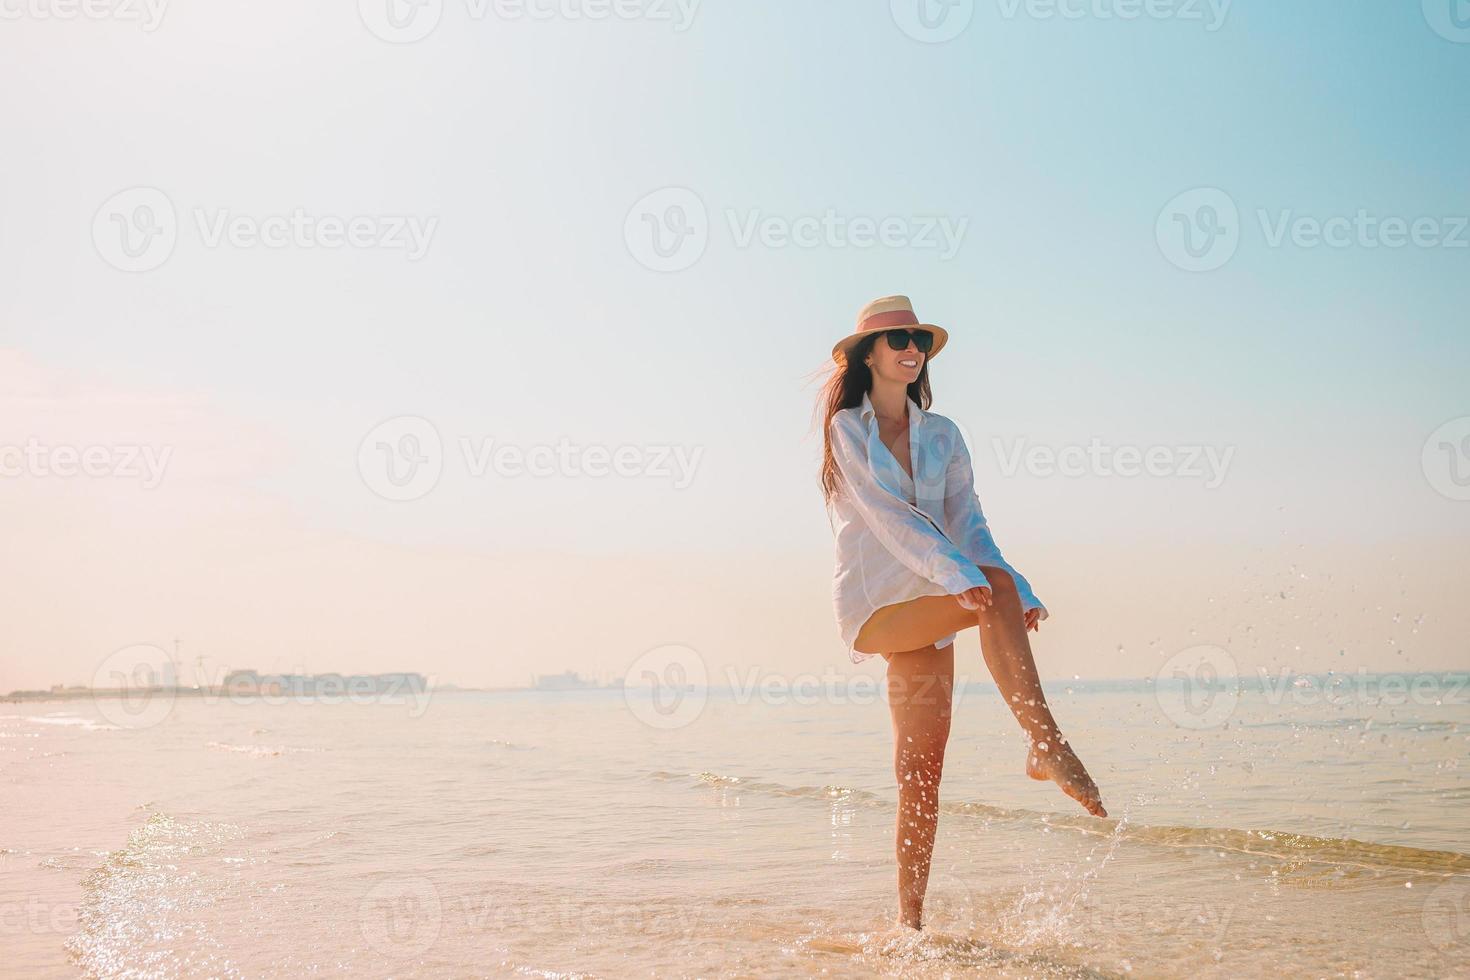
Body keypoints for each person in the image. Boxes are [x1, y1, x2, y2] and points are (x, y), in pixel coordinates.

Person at [817, 295, 1107, 932]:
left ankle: (909, 928)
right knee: (990, 589)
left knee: (920, 773)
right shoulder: (848, 431)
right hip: (878, 607)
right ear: (868, 354)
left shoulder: (943, 434)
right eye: (896, 339)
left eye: (917, 337)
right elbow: (889, 521)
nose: (910, 347)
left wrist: (1013, 592)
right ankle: (1046, 742)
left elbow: (968, 523)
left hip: (937, 599)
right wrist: (967, 582)